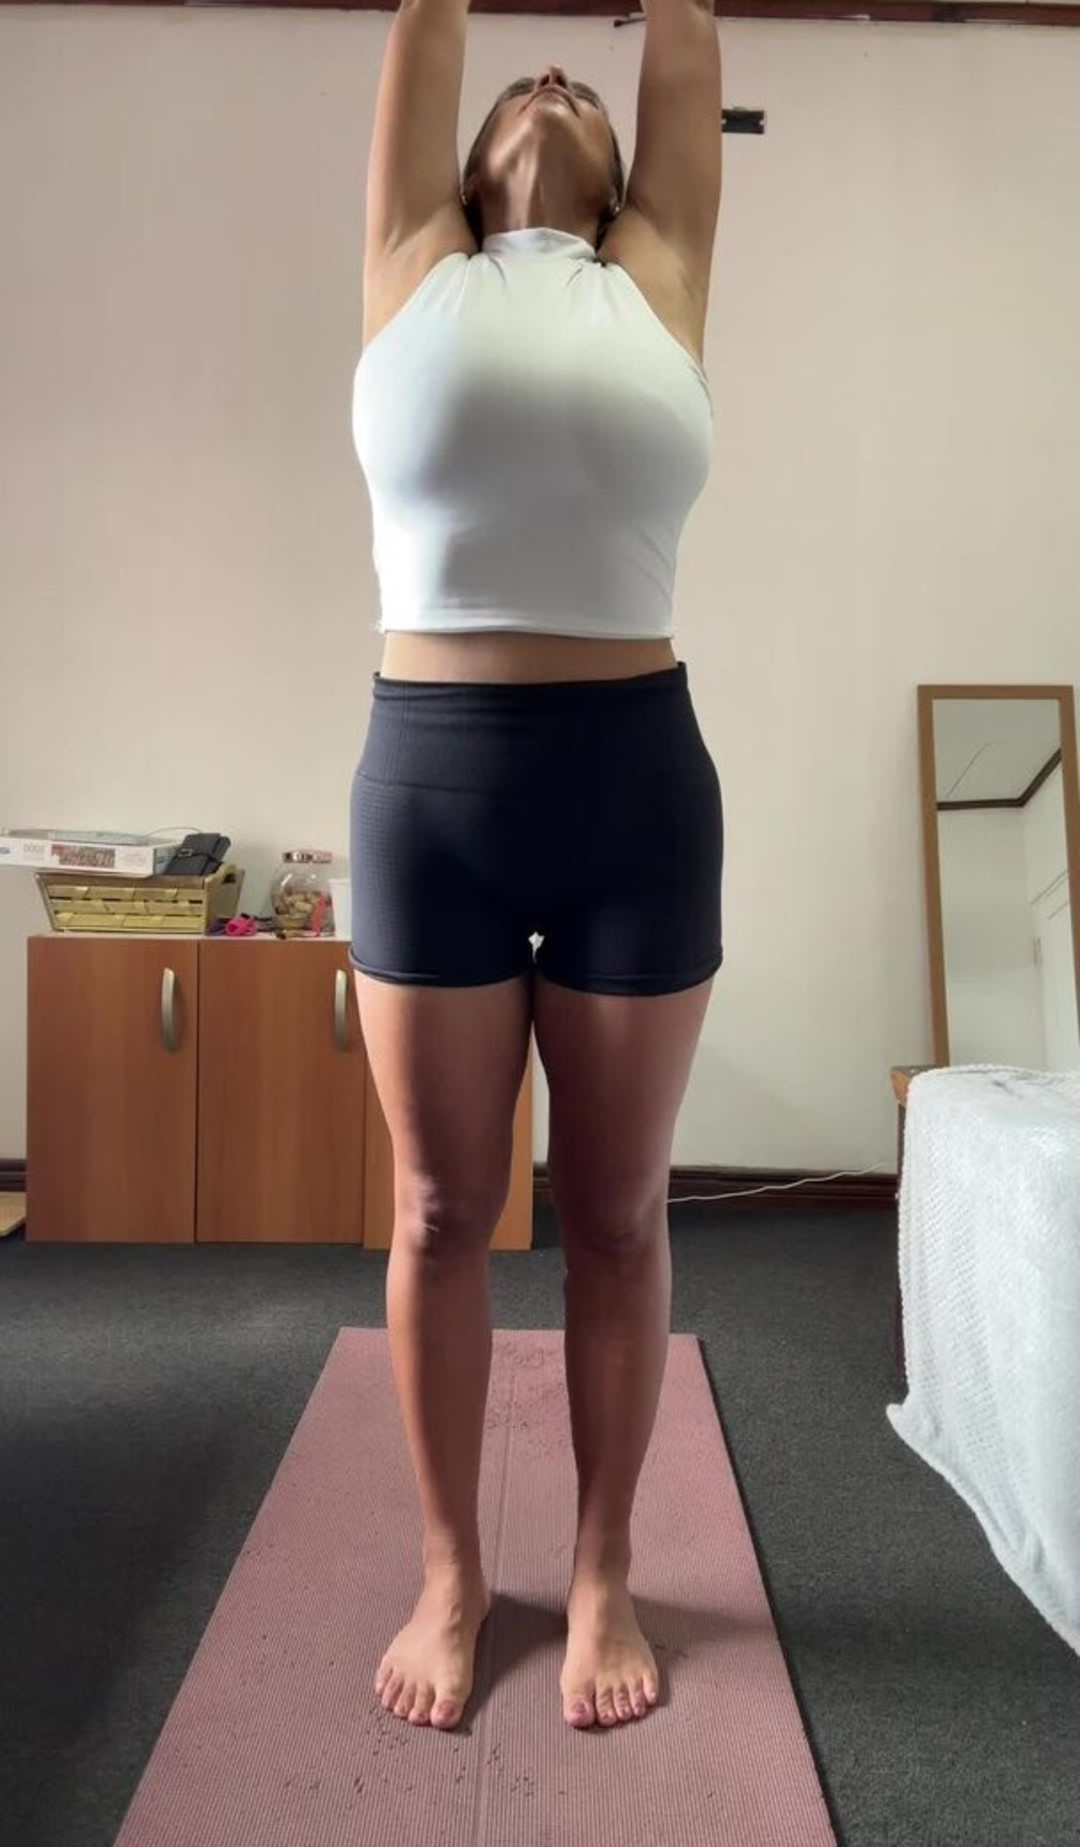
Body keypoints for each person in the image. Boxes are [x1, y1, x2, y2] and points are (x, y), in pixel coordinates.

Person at [349, 0, 724, 1734]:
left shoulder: (653, 274)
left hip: (633, 786)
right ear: (468, 167)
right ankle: (449, 1572)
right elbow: (428, 22)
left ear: (626, 179)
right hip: (431, 787)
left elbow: (686, 38)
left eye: (583, 82)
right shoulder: (415, 262)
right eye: (522, 82)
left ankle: (599, 1567)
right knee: (441, 1209)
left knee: (616, 1216)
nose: (556, 79)